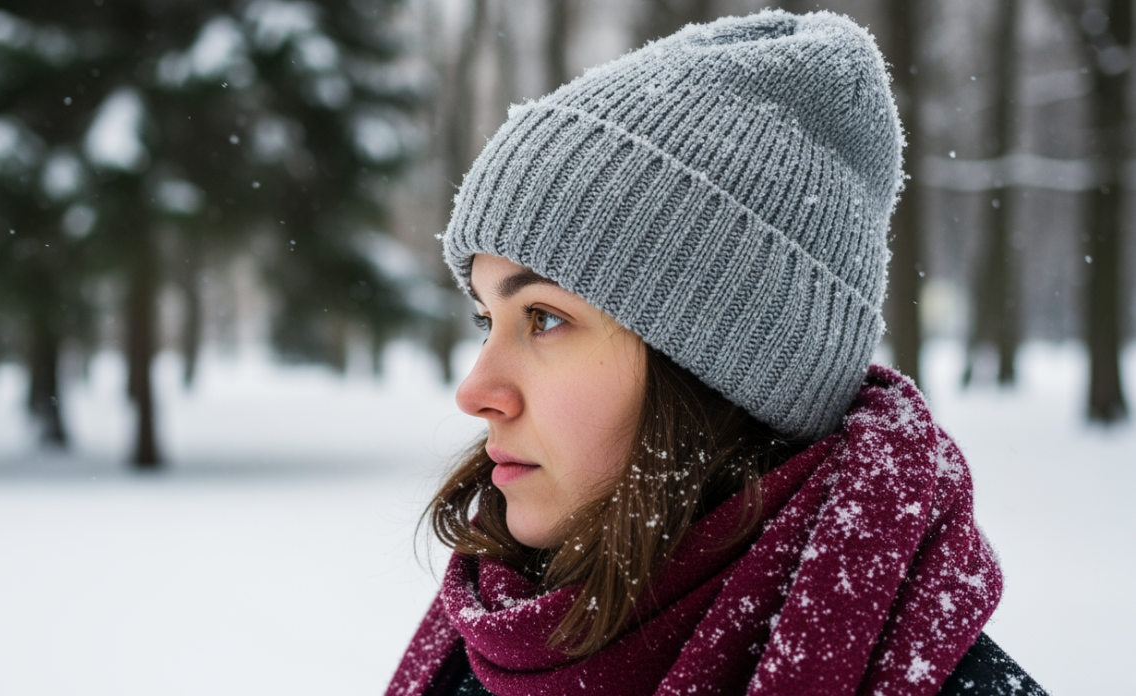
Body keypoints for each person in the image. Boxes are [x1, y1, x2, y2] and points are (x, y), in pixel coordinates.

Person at [388, 10, 1048, 696]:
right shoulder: (494, 645)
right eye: (486, 320)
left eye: (545, 318)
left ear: (718, 372)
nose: (475, 391)